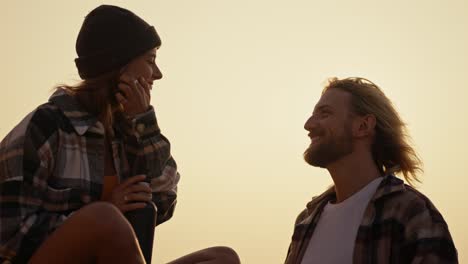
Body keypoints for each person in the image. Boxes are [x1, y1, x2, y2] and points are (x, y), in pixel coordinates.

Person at [0, 5, 239, 264]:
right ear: (119, 67)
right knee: (104, 218)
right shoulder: (46, 126)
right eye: (150, 60)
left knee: (222, 259)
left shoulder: (127, 131)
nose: (158, 74)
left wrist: (144, 125)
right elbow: (10, 234)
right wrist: (100, 216)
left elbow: (165, 199)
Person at [284, 77, 458, 264]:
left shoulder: (410, 213)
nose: (308, 124)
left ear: (363, 126)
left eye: (324, 114)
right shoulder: (306, 221)